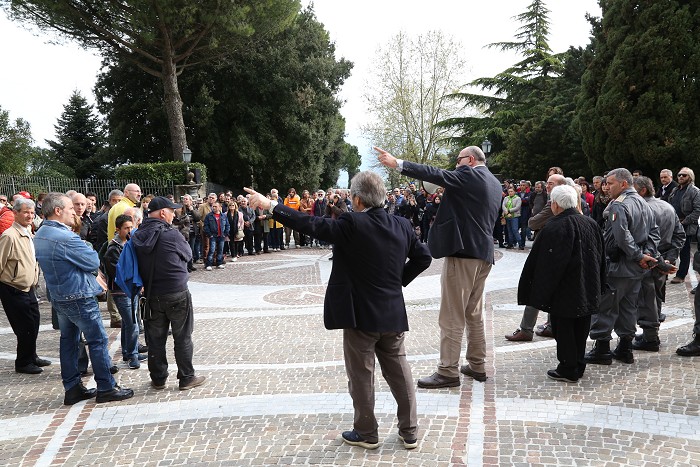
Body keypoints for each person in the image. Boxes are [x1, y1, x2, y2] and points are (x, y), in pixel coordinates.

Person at [245, 170, 431, 450]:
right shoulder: (402, 225)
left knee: (361, 376)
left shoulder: (352, 223)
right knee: (400, 373)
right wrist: (398, 281)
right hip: (392, 312)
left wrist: (271, 205)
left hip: (360, 316)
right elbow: (423, 257)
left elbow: (310, 224)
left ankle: (367, 432)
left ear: (357, 200)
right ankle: (410, 431)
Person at [377, 145, 502, 387]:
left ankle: (448, 371)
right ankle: (477, 365)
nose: (456, 165)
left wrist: (398, 163)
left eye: (458, 160)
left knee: (452, 315)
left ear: (471, 160)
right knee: (474, 313)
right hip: (483, 253)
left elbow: (434, 174)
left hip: (463, 253)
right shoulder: (494, 182)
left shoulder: (470, 174)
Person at [34, 193, 133, 405]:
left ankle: (72, 388)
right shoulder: (65, 237)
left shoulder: (41, 233)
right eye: (70, 208)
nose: (74, 212)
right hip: (78, 296)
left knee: (68, 341)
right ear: (58, 211)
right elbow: (92, 260)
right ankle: (106, 387)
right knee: (97, 340)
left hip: (60, 295)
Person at [518, 185, 605, 382]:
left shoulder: (554, 226)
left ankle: (568, 367)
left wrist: (541, 290)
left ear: (555, 204)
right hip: (587, 284)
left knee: (564, 328)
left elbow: (547, 263)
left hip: (565, 288)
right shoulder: (590, 223)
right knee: (581, 327)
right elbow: (601, 257)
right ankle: (578, 364)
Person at [585, 168, 660, 366]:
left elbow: (621, 236)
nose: (606, 187)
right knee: (628, 307)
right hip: (635, 268)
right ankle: (625, 348)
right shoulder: (644, 203)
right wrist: (646, 255)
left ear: (623, 183)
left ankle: (602, 349)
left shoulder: (619, 204)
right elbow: (654, 232)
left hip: (618, 266)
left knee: (606, 306)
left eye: (610, 183)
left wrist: (639, 255)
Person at [131, 196, 206, 391]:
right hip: (176, 291)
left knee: (155, 340)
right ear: (163, 213)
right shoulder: (171, 234)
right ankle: (186, 377)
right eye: (172, 211)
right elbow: (188, 255)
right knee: (183, 337)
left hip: (151, 293)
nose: (174, 214)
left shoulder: (137, 235)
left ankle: (158, 378)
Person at [505, 173, 567, 342]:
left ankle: (526, 329)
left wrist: (537, 221)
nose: (547, 185)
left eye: (551, 183)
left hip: (548, 248)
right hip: (558, 249)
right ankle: (551, 325)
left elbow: (533, 223)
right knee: (555, 288)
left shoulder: (554, 201)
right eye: (547, 182)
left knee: (536, 287)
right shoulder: (568, 199)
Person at [0, 198, 52, 374]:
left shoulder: (28, 231)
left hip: (29, 287)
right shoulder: (9, 236)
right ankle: (23, 362)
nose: (30, 216)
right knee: (25, 326)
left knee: (34, 322)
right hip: (13, 288)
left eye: (32, 212)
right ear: (15, 213)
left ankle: (31, 355)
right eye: (25, 212)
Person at [632, 177, 683, 351]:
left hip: (650, 261)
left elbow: (645, 240)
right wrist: (669, 259)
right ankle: (651, 334)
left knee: (647, 299)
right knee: (656, 297)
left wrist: (664, 261)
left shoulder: (641, 209)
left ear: (642, 190)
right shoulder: (667, 206)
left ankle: (651, 338)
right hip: (662, 260)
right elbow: (679, 235)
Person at [103, 214, 146, 369]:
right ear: (118, 229)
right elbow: (118, 273)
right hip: (121, 291)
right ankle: (132, 355)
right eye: (126, 228)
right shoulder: (113, 248)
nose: (129, 230)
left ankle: (128, 352)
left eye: (131, 227)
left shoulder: (130, 243)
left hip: (132, 289)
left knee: (129, 323)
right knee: (132, 323)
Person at [668, 168, 700, 284]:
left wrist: (684, 221)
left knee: (684, 251)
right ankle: (666, 271)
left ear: (690, 177)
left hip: (686, 225)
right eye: (679, 175)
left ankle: (681, 275)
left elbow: (697, 211)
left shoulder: (695, 191)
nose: (681, 177)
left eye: (684, 175)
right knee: (670, 248)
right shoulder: (675, 190)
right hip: (673, 224)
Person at [203, 202, 230, 270]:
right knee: (212, 250)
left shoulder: (223, 216)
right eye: (213, 206)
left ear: (219, 207)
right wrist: (210, 234)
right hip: (213, 235)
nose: (214, 208)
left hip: (221, 235)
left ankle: (219, 263)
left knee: (220, 250)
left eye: (215, 206)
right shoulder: (209, 216)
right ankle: (208, 264)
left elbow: (227, 225)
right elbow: (206, 226)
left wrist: (225, 233)